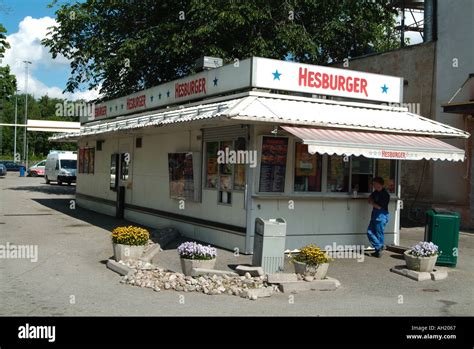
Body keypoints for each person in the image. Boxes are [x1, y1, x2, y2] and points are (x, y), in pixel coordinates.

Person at [367, 177, 390, 257]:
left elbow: (379, 207)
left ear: (379, 184)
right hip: (375, 215)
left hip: (381, 215)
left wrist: (372, 203)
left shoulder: (385, 194)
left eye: (375, 184)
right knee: (369, 232)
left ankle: (378, 251)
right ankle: (379, 247)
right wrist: (372, 201)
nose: (374, 186)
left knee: (379, 234)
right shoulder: (375, 192)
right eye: (373, 184)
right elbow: (370, 198)